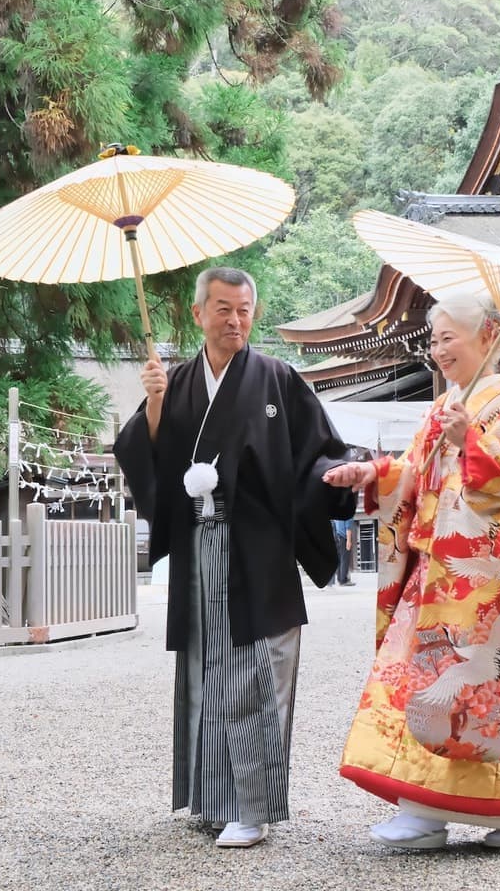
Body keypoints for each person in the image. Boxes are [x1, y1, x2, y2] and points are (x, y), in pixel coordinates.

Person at [114, 266, 356, 849]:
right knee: (207, 669)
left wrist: (337, 477)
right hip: (199, 547)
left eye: (244, 309)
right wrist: (154, 407)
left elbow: (319, 452)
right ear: (198, 313)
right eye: (223, 309)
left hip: (259, 547)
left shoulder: (277, 377)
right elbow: (145, 456)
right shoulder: (174, 381)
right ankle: (213, 799)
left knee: (257, 669)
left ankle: (252, 808)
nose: (235, 320)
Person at [323, 291, 500, 851]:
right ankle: (424, 809)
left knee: (481, 692)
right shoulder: (443, 406)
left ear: (489, 336)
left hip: (490, 586)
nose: (437, 350)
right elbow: (414, 472)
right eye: (433, 340)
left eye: (448, 338)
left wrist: (473, 443)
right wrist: (373, 473)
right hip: (436, 572)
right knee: (424, 685)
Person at [332, 517, 357, 586]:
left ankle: (340, 579)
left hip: (336, 537)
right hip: (343, 537)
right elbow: (348, 528)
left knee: (340, 559)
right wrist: (348, 541)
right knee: (345, 559)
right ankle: (343, 580)